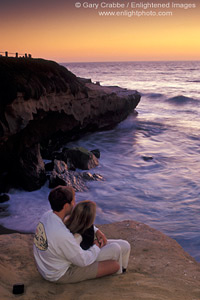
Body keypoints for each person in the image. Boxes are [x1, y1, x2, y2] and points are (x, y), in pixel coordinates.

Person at [33, 185, 119, 283]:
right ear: (66, 206)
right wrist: (96, 247)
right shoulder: (62, 234)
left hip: (45, 266)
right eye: (73, 201)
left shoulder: (47, 215)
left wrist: (96, 230)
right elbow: (83, 261)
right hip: (59, 274)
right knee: (114, 265)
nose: (74, 204)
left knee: (112, 248)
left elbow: (73, 221)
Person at [65, 200, 131, 275]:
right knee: (115, 248)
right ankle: (117, 274)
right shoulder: (76, 236)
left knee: (125, 245)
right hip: (88, 257)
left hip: (92, 248)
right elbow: (79, 259)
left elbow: (91, 226)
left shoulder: (83, 223)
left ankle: (123, 269)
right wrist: (96, 246)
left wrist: (97, 231)